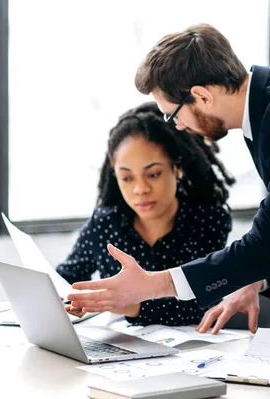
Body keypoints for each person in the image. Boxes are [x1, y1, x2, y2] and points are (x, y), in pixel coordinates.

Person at [67, 23, 270, 333]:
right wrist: (253, 279)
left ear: (201, 97)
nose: (176, 127)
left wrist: (149, 285)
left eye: (173, 115)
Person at [57, 102, 234, 326]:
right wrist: (69, 301)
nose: (140, 189)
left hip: (196, 350)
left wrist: (130, 305)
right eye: (127, 178)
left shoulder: (208, 221)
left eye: (153, 174)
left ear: (176, 167)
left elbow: (204, 303)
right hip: (121, 353)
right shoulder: (104, 224)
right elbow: (64, 280)